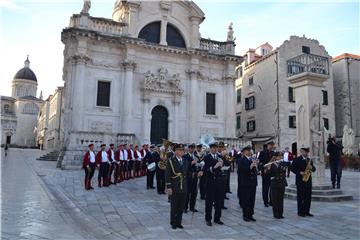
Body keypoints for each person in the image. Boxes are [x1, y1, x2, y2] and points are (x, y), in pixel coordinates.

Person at [202, 142, 226, 226]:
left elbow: (226, 166)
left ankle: (217, 218)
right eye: (213, 148)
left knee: (219, 201)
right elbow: (205, 169)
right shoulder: (206, 157)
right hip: (210, 182)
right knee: (209, 202)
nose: (215, 149)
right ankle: (208, 219)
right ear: (210, 148)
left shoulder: (220, 157)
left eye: (216, 148)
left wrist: (223, 164)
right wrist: (215, 167)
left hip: (219, 182)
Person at [165, 144, 188, 229]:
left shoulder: (185, 161)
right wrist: (169, 187)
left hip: (184, 187)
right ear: (175, 151)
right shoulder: (171, 161)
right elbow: (167, 175)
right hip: (175, 187)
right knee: (174, 206)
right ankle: (173, 222)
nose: (181, 152)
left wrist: (195, 174)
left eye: (182, 150)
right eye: (179, 150)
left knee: (181, 206)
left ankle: (179, 222)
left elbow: (187, 173)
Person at [291, 147, 316, 217]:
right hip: (300, 181)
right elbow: (292, 168)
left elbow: (314, 169)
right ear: (301, 152)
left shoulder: (309, 160)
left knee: (308, 197)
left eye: (307, 152)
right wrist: (299, 172)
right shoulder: (297, 159)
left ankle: (307, 211)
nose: (306, 153)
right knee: (301, 197)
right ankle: (300, 212)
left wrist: (312, 168)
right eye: (305, 152)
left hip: (308, 180)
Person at [238, 146, 258, 222]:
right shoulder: (241, 160)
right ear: (244, 152)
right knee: (246, 200)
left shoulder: (252, 159)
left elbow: (255, 170)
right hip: (245, 183)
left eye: (250, 150)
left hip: (253, 182)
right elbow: (240, 170)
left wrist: (256, 166)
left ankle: (250, 215)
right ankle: (245, 215)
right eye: (247, 150)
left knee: (252, 200)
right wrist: (250, 167)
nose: (249, 152)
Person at [265, 152, 287, 219]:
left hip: (282, 182)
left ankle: (281, 213)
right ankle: (276, 214)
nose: (281, 157)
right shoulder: (271, 164)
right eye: (279, 156)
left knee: (281, 199)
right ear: (275, 157)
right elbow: (267, 173)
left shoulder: (283, 163)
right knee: (275, 199)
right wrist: (268, 168)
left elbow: (284, 172)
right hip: (274, 183)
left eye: (281, 156)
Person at [183, 143, 201, 213]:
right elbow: (184, 166)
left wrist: (199, 168)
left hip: (195, 176)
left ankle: (192, 207)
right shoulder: (185, 156)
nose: (192, 149)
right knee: (187, 193)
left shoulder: (196, 156)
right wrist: (191, 163)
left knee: (194, 193)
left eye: (193, 148)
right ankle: (185, 207)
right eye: (190, 148)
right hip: (188, 177)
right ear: (188, 148)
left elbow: (198, 165)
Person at [258, 141, 275, 207]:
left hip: (272, 173)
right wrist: (263, 169)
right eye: (271, 145)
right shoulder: (262, 153)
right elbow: (259, 162)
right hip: (265, 172)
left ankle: (271, 201)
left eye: (272, 145)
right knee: (265, 188)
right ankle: (265, 201)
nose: (271, 146)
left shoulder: (274, 153)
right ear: (268, 145)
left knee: (272, 187)